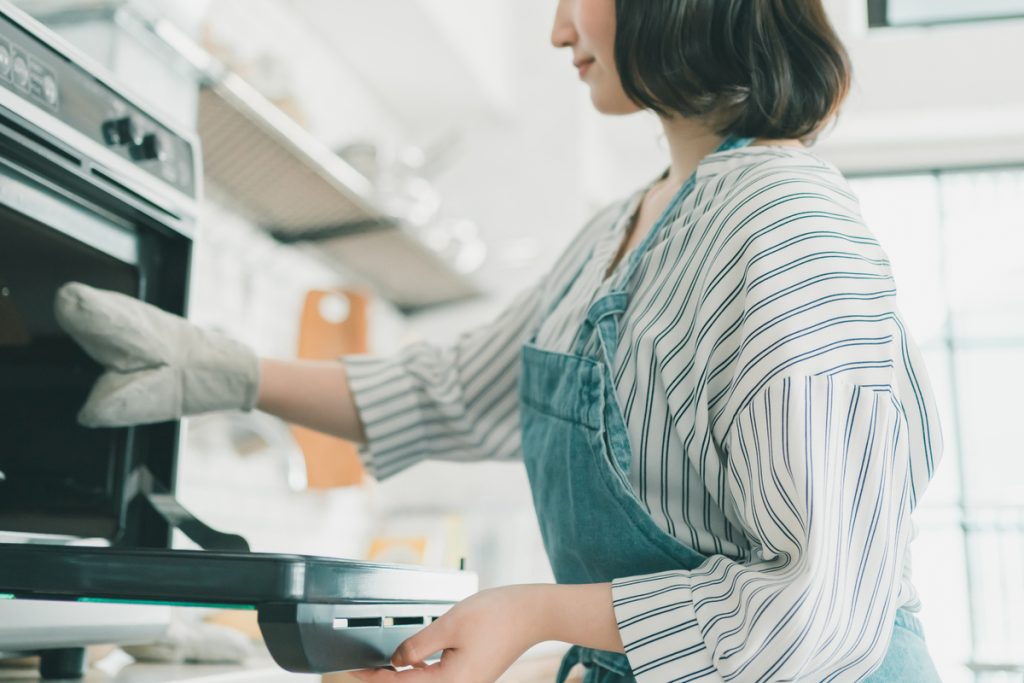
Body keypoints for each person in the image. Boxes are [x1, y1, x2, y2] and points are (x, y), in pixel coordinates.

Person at [54, 0, 946, 681]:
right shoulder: (623, 225)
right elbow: (458, 389)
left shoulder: (789, 227)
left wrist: (532, 613)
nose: (558, 31)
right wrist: (227, 371)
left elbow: (820, 606)